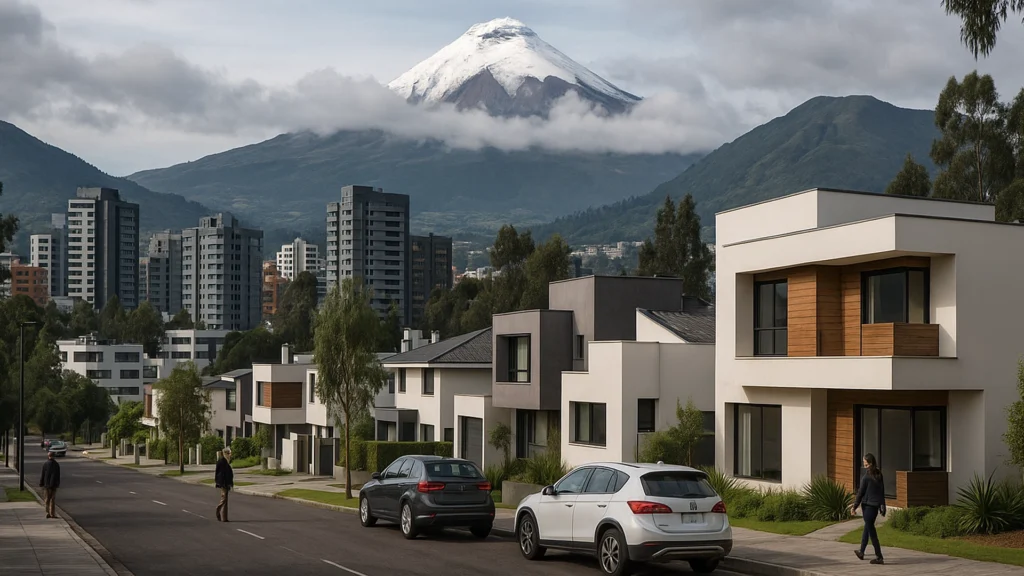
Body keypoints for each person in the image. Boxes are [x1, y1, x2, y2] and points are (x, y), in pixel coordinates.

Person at [852, 453, 885, 564]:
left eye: (866, 463)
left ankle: (879, 556)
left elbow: (860, 493)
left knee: (872, 532)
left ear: (870, 463)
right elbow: (882, 492)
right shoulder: (879, 474)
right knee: (867, 527)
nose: (864, 465)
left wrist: (854, 506)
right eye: (864, 463)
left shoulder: (866, 477)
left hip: (868, 507)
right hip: (874, 508)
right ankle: (861, 552)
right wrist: (882, 505)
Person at [39, 450, 61, 519]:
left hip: (46, 484)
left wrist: (41, 483)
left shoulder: (45, 464)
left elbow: (43, 474)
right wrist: (57, 483)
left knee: (47, 499)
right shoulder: (56, 464)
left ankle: (47, 512)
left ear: (48, 456)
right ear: (54, 456)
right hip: (53, 485)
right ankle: (52, 513)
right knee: (52, 499)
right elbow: (58, 475)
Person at [215, 447, 234, 522]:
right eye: (228, 453)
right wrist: (221, 483)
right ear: (225, 454)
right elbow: (219, 474)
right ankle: (218, 509)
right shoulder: (222, 462)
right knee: (224, 499)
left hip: (226, 483)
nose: (230, 455)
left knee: (226, 501)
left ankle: (224, 517)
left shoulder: (226, 462)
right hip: (223, 483)